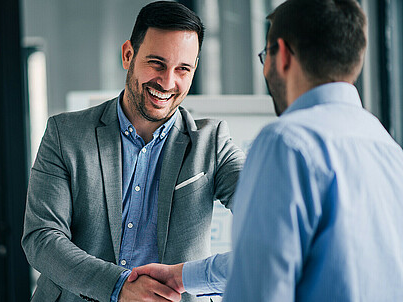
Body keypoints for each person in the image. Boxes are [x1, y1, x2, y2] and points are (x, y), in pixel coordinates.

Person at [129, 0, 403, 301]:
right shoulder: (388, 148)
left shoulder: (286, 142)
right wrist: (183, 276)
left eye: (265, 56)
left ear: (282, 54)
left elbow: (260, 285)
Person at [21, 1, 245, 301]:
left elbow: (271, 215)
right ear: (129, 54)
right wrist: (119, 286)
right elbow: (42, 238)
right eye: (157, 63)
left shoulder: (212, 142)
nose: (167, 82)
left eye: (183, 69)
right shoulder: (66, 134)